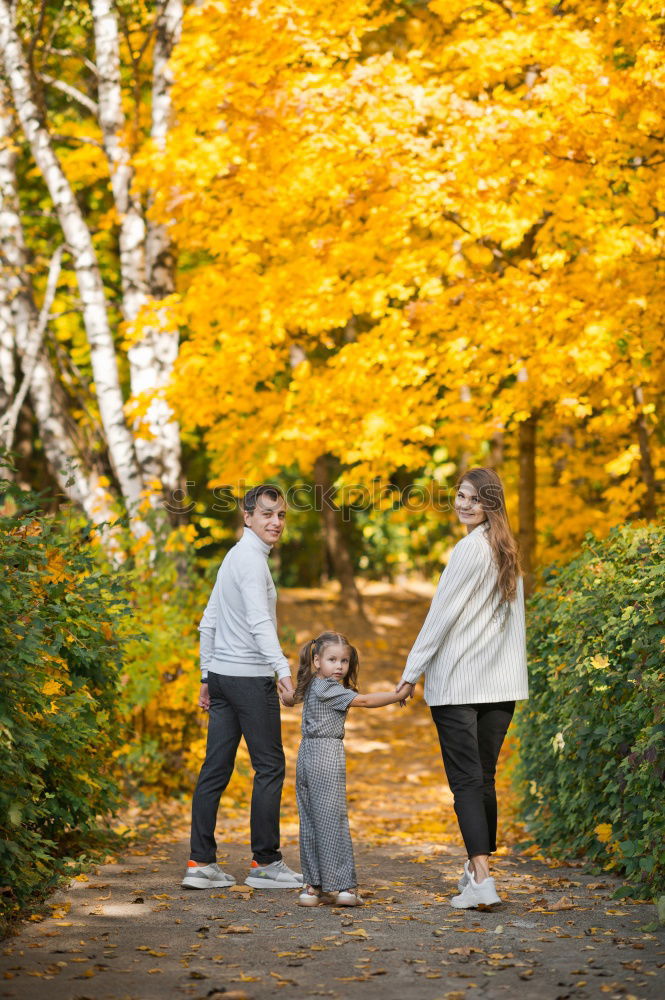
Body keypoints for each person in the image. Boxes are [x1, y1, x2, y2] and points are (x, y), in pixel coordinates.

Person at [396, 467, 528, 910]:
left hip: (460, 685)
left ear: (491, 503)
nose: (463, 504)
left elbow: (441, 616)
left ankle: (482, 878)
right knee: (483, 779)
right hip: (499, 686)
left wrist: (412, 672)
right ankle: (477, 872)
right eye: (460, 495)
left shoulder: (470, 549)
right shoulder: (506, 548)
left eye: (474, 498)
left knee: (468, 782)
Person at [182, 484, 302, 891]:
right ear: (247, 517)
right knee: (269, 767)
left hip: (222, 677)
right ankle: (265, 864)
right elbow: (258, 622)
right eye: (267, 514)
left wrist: (205, 676)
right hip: (249, 679)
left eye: (281, 515)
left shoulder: (235, 557)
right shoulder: (250, 561)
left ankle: (200, 863)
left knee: (214, 769)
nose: (276, 522)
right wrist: (282, 672)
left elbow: (208, 621)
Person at [282, 631, 407, 907]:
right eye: (332, 660)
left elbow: (290, 698)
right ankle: (344, 888)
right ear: (317, 661)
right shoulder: (328, 688)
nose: (339, 666)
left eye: (345, 661)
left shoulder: (314, 683)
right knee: (332, 818)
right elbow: (363, 701)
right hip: (326, 753)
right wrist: (398, 693)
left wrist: (284, 690)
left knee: (312, 819)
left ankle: (312, 887)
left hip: (306, 754)